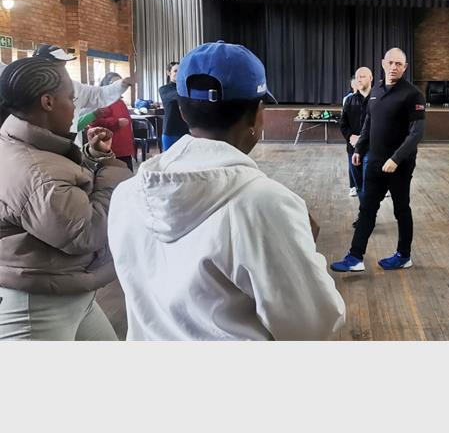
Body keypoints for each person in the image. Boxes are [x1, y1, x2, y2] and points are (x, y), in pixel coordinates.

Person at [108, 41, 345, 340]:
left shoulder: (126, 194)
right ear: (257, 115)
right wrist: (304, 251)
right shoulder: (264, 204)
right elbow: (312, 325)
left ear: (182, 111)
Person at [0, 56, 133, 340]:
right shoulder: (36, 172)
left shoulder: (22, 143)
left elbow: (60, 186)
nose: (75, 107)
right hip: (37, 305)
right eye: (71, 98)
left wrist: (92, 157)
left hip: (67, 287)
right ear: (48, 102)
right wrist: (110, 172)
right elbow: (86, 232)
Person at [331, 48, 426, 273]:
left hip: (399, 165)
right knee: (367, 208)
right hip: (374, 161)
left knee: (401, 209)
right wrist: (359, 148)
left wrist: (396, 158)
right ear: (383, 63)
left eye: (399, 64)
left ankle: (404, 255)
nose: (394, 67)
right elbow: (368, 124)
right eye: (390, 62)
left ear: (405, 67)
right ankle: (355, 257)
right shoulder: (376, 91)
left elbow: (416, 133)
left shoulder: (413, 95)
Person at [0, 45, 134, 146]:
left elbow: (98, 94)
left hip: (68, 145)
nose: (73, 107)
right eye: (59, 65)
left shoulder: (72, 86)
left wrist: (121, 85)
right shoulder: (21, 87)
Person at [88, 72, 135, 171]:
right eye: (114, 83)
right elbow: (93, 121)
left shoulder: (120, 101)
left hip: (124, 148)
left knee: (127, 176)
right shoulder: (101, 101)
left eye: (121, 83)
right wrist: (116, 122)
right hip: (110, 150)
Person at [340, 67, 373, 198]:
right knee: (359, 186)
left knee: (370, 184)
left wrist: (363, 139)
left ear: (371, 78)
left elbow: (381, 124)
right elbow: (343, 123)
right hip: (352, 148)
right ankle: (363, 209)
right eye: (357, 77)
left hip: (371, 148)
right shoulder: (350, 100)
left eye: (363, 76)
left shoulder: (377, 100)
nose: (359, 79)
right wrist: (350, 137)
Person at [158, 61, 190, 151]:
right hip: (170, 131)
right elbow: (178, 96)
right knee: (170, 158)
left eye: (181, 71)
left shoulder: (186, 88)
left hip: (187, 131)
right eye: (175, 71)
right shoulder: (164, 89)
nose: (179, 73)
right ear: (169, 72)